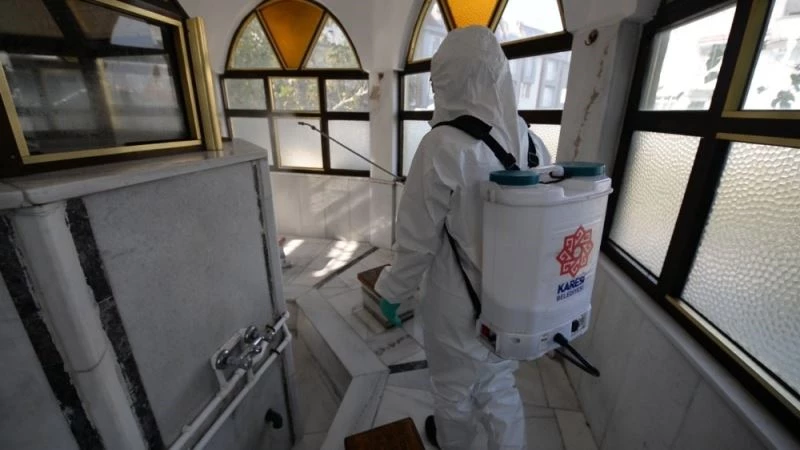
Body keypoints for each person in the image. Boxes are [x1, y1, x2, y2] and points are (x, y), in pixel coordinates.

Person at [375, 26, 551, 450]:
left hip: (456, 303)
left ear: (452, 79)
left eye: (438, 82)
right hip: (512, 300)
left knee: (453, 389)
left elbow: (416, 242)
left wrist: (392, 291)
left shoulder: (443, 145)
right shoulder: (534, 145)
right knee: (499, 382)